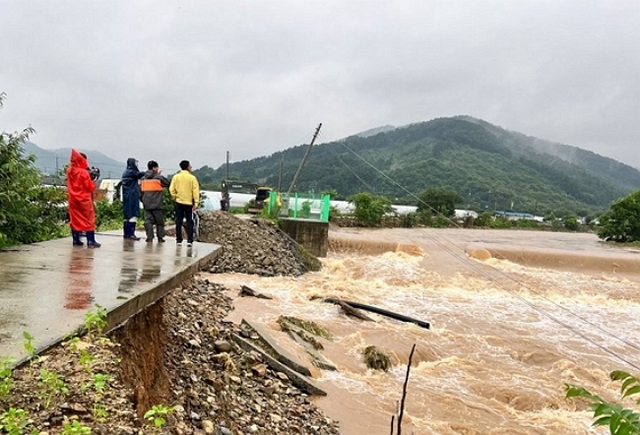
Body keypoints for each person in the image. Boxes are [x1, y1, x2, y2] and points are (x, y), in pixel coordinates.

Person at [66, 149, 100, 248]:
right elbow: (90, 187)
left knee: (75, 219)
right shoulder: (83, 173)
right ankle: (91, 241)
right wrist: (93, 180)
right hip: (84, 199)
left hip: (73, 199)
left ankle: (76, 240)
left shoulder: (69, 171)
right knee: (89, 219)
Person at [169, 160, 200, 247]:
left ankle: (179, 240)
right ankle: (189, 240)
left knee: (178, 221)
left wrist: (175, 197)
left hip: (179, 202)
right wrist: (196, 202)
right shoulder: (192, 178)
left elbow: (171, 189)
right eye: (190, 166)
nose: (191, 167)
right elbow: (195, 191)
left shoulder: (176, 177)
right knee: (189, 221)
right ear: (187, 167)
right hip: (188, 202)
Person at [140, 160, 170, 243]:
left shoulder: (143, 179)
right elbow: (167, 183)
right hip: (157, 203)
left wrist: (143, 200)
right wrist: (159, 175)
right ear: (154, 168)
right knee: (159, 222)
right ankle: (160, 238)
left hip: (147, 204)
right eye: (157, 167)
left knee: (148, 221)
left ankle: (149, 237)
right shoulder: (159, 177)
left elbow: (140, 191)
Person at [121, 158, 146, 240]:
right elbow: (141, 174)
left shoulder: (125, 172)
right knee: (133, 214)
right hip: (132, 196)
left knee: (127, 215)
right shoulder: (132, 172)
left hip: (126, 196)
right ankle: (131, 234)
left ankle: (126, 234)